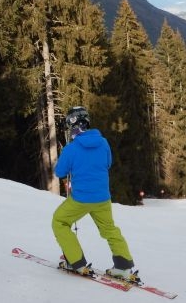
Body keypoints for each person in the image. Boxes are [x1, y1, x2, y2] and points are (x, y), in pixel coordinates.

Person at [52, 106, 137, 281]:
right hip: (103, 199)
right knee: (109, 229)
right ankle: (123, 266)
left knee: (59, 221)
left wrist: (68, 158)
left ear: (72, 125)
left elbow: (59, 172)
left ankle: (75, 261)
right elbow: (107, 163)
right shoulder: (103, 142)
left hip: (80, 199)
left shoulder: (71, 148)